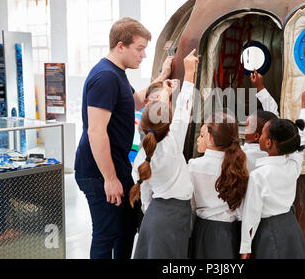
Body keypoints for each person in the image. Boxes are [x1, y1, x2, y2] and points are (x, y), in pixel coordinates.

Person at [74, 17, 173, 259]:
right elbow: (95, 131)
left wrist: (162, 79)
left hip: (117, 166)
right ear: (121, 46)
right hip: (98, 172)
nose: (143, 55)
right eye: (139, 49)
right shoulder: (105, 77)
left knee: (126, 228)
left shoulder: (117, 74)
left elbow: (135, 101)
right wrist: (109, 178)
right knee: (106, 234)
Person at [130, 48, 199, 259]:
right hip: (172, 219)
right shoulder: (172, 144)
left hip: (152, 217)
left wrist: (166, 92)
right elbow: (184, 110)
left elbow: (145, 198)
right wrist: (189, 74)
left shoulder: (142, 159)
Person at [240, 82, 305, 259]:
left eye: (264, 133)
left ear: (268, 143)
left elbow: (252, 213)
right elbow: (302, 137)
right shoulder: (293, 164)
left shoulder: (259, 175)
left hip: (268, 229)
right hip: (290, 225)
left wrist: (245, 248)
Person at [188, 112, 249, 259]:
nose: (198, 139)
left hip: (204, 230)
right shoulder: (241, 166)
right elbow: (243, 210)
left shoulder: (194, 166)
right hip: (233, 232)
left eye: (202, 135)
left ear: (210, 138)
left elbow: (191, 205)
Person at [242, 69, 279, 172]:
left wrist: (259, 87)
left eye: (247, 126)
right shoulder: (274, 151)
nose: (245, 127)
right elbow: (273, 115)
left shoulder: (242, 154)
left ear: (256, 136)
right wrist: (260, 87)